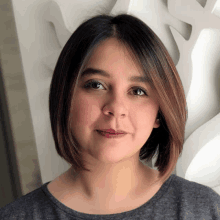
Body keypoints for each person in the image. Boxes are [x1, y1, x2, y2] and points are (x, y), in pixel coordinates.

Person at [1, 13, 220, 219]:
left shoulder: (203, 210)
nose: (116, 107)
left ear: (159, 113)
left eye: (138, 91)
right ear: (65, 96)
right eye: (96, 85)